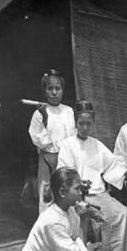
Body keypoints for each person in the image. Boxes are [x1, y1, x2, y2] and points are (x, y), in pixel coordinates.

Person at [57, 100, 127, 251]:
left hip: (98, 193)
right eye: (81, 123)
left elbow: (113, 164)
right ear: (75, 123)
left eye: (88, 124)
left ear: (93, 123)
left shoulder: (96, 144)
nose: (85, 128)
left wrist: (126, 173)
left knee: (122, 214)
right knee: (94, 218)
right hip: (76, 196)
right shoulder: (67, 145)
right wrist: (77, 183)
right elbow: (63, 174)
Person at [28, 69, 76, 213]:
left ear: (62, 90)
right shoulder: (39, 113)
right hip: (47, 160)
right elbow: (39, 140)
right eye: (50, 89)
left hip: (65, 159)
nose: (54, 92)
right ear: (45, 91)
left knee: (67, 196)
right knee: (47, 197)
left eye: (58, 88)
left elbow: (72, 136)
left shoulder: (68, 111)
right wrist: (45, 119)